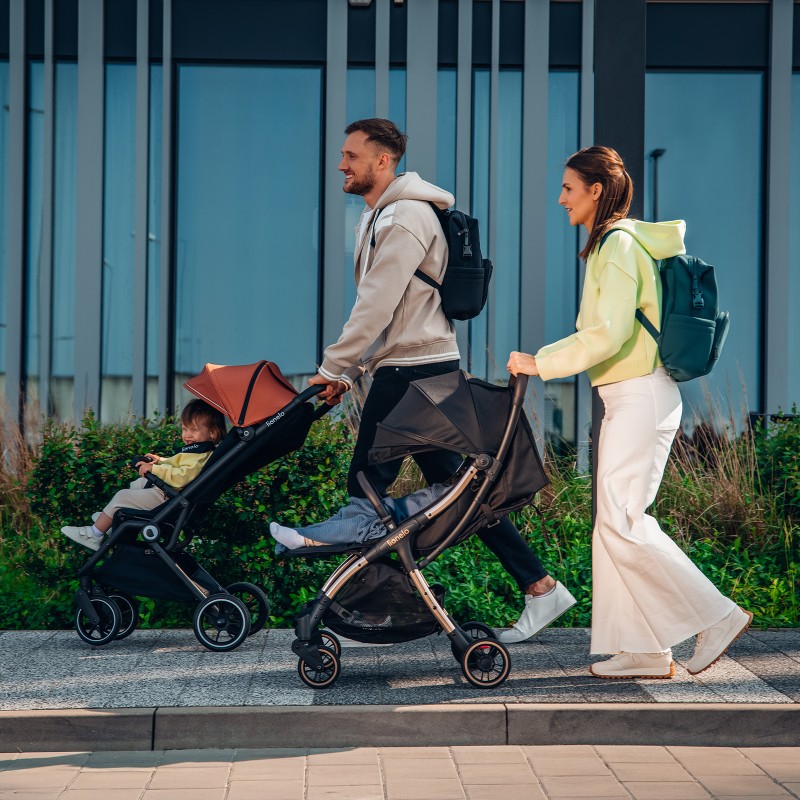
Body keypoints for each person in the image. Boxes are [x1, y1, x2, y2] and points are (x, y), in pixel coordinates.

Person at [309, 117, 575, 643]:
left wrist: (333, 368)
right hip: (416, 364)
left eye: (351, 155)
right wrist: (356, 369)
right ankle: (541, 587)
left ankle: (374, 607)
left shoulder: (403, 218)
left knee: (365, 485)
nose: (341, 164)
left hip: (414, 373)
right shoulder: (382, 216)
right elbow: (396, 312)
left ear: (382, 161)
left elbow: (376, 304)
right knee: (461, 494)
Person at [507, 145, 751, 678]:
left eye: (569, 188)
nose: (560, 198)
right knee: (614, 523)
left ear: (596, 191)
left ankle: (715, 615)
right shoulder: (616, 245)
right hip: (633, 395)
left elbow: (610, 332)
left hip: (640, 393)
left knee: (621, 520)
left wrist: (540, 361)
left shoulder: (616, 245)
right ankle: (643, 648)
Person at [60, 399, 227, 552]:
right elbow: (179, 464)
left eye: (194, 430)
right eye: (184, 429)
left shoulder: (199, 456)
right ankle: (110, 522)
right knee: (139, 483)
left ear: (212, 433)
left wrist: (154, 469)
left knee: (122, 496)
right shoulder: (200, 452)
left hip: (167, 499)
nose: (187, 435)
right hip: (170, 495)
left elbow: (182, 476)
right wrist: (159, 461)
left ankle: (94, 534)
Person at [270, 483, 448, 552]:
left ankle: (305, 539)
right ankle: (301, 536)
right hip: (413, 507)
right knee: (355, 511)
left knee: (363, 524)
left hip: (408, 518)